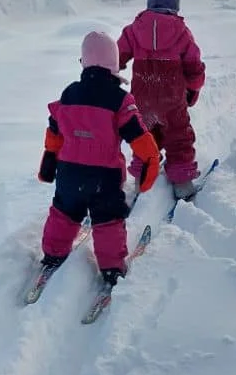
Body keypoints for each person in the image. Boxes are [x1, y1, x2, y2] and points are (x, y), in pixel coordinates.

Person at [37, 30, 161, 284]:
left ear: (84, 62)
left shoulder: (69, 94)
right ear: (114, 64)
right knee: (108, 221)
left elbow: (54, 132)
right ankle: (112, 267)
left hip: (69, 173)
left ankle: (53, 254)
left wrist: (49, 161)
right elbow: (139, 136)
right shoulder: (119, 100)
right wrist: (151, 160)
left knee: (63, 212)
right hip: (104, 177)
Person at [117, 0, 206, 201]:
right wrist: (193, 90)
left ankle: (142, 180)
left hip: (142, 100)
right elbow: (194, 67)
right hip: (172, 101)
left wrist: (106, 72)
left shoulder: (134, 30)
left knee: (144, 136)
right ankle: (182, 183)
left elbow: (117, 55)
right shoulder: (182, 32)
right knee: (178, 138)